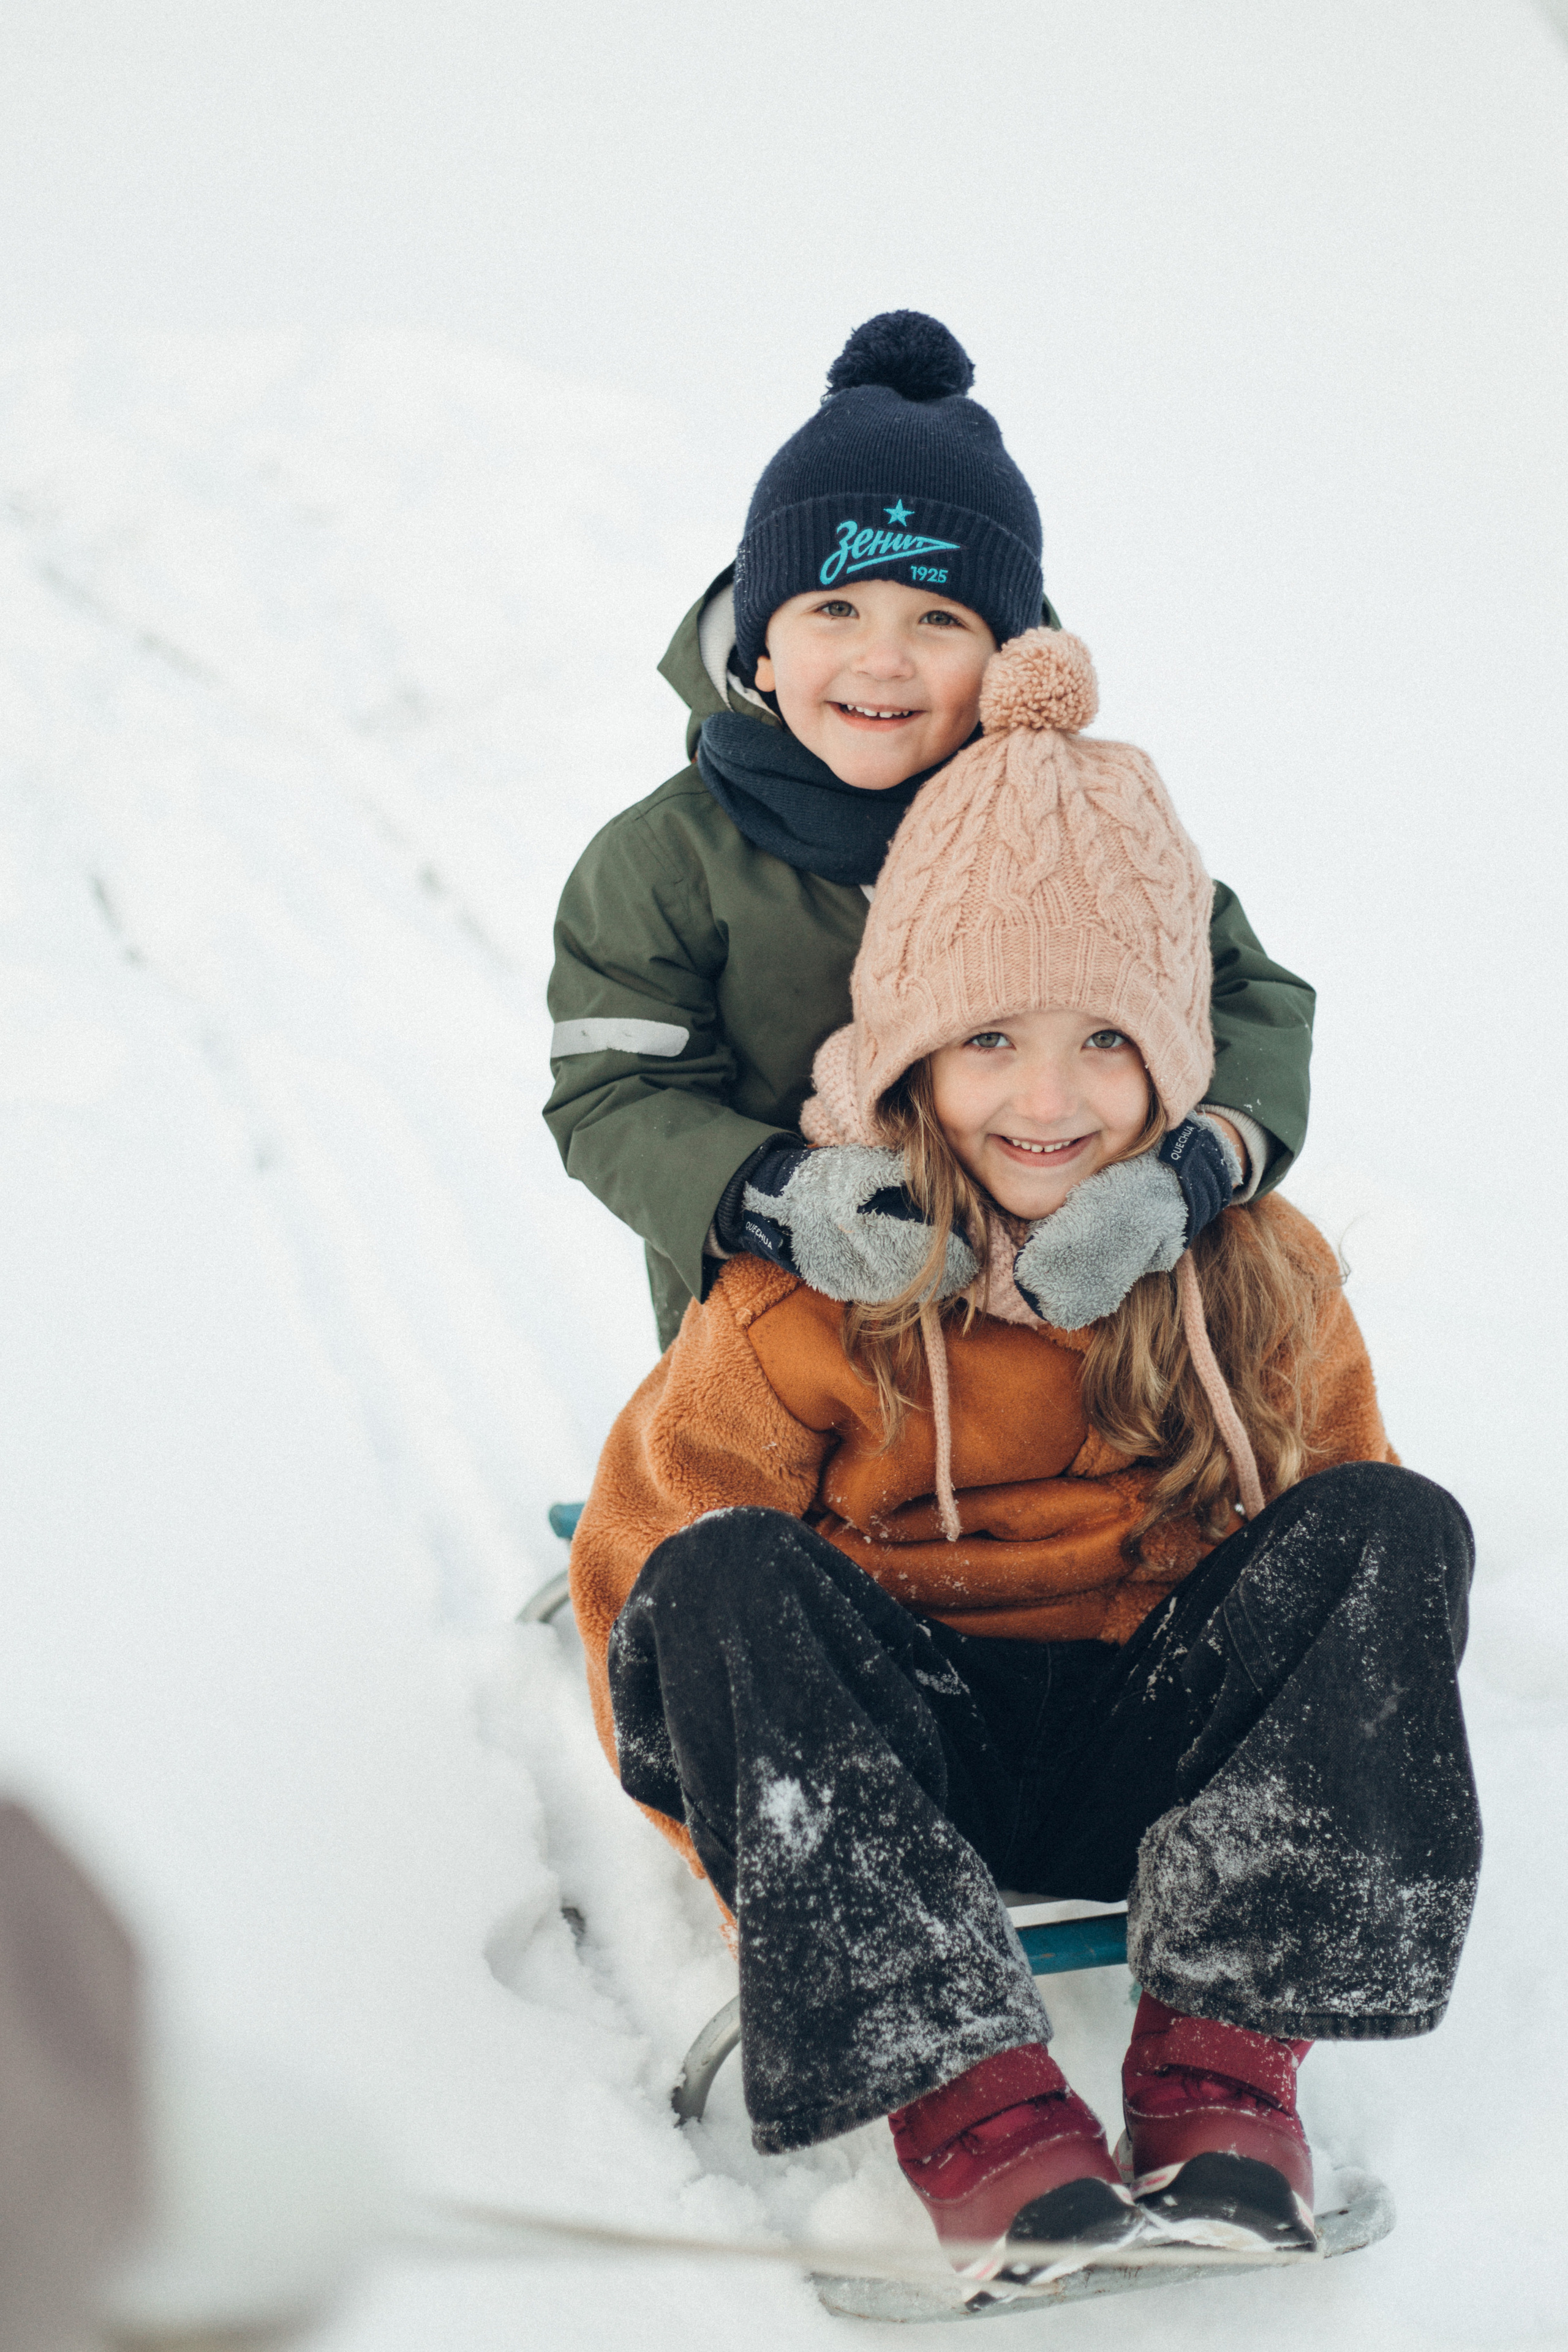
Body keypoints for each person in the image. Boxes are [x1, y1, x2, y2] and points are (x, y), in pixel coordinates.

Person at [567, 630, 1480, 2286]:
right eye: (987, 1042)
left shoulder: (1256, 1272)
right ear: (910, 1060)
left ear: (1176, 1062)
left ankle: (1223, 2085)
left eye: (1104, 1043)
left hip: (1155, 1742)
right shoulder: (797, 1291)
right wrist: (792, 1867)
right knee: (714, 1572)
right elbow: (650, 1593)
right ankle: (983, 2119)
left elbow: (1341, 1595)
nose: (1046, 1097)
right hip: (909, 1761)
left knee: (1392, 1529)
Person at [545, 310, 1314, 1353]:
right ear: (761, 645)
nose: (885, 660)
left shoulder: (1076, 819)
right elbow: (616, 1096)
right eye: (836, 611)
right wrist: (777, 1200)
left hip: (1068, 1315)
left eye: (939, 620)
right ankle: (730, 1509)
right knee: (770, 1473)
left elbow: (1246, 993)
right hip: (795, 1330)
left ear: (1011, 655)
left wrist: (1204, 1160)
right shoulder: (665, 864)